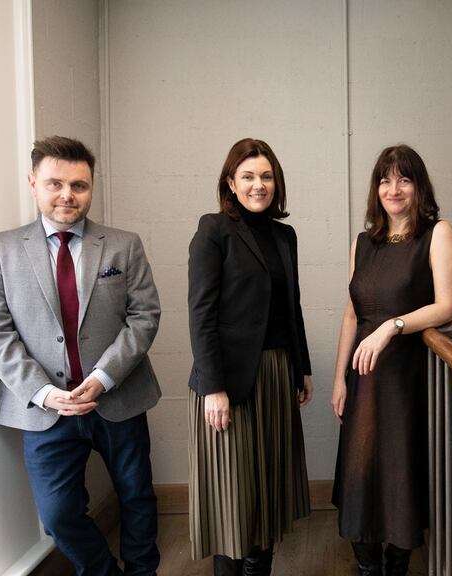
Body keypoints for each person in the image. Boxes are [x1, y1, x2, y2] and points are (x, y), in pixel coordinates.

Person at [0, 136, 161, 575]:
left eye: (79, 185)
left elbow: (144, 316)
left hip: (118, 397)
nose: (67, 195)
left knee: (136, 496)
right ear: (33, 183)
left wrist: (103, 376)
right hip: (45, 410)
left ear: (91, 186)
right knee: (58, 515)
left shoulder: (123, 245)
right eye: (55, 183)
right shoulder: (2, 249)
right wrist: (42, 392)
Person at [331, 145, 452, 576]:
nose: (394, 189)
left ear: (419, 186)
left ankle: (397, 566)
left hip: (407, 377)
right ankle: (368, 568)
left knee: (401, 475)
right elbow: (352, 315)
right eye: (385, 180)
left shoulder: (437, 233)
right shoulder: (362, 243)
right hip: (362, 378)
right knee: (360, 477)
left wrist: (393, 326)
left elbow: (447, 305)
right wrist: (339, 379)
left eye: (404, 179)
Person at [187, 138, 313, 576]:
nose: (258, 185)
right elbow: (201, 313)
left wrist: (302, 368)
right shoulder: (214, 229)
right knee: (234, 503)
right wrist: (213, 387)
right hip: (229, 382)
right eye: (248, 176)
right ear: (231, 182)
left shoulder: (285, 235)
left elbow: (292, 306)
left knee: (267, 499)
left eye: (266, 176)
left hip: (277, 374)